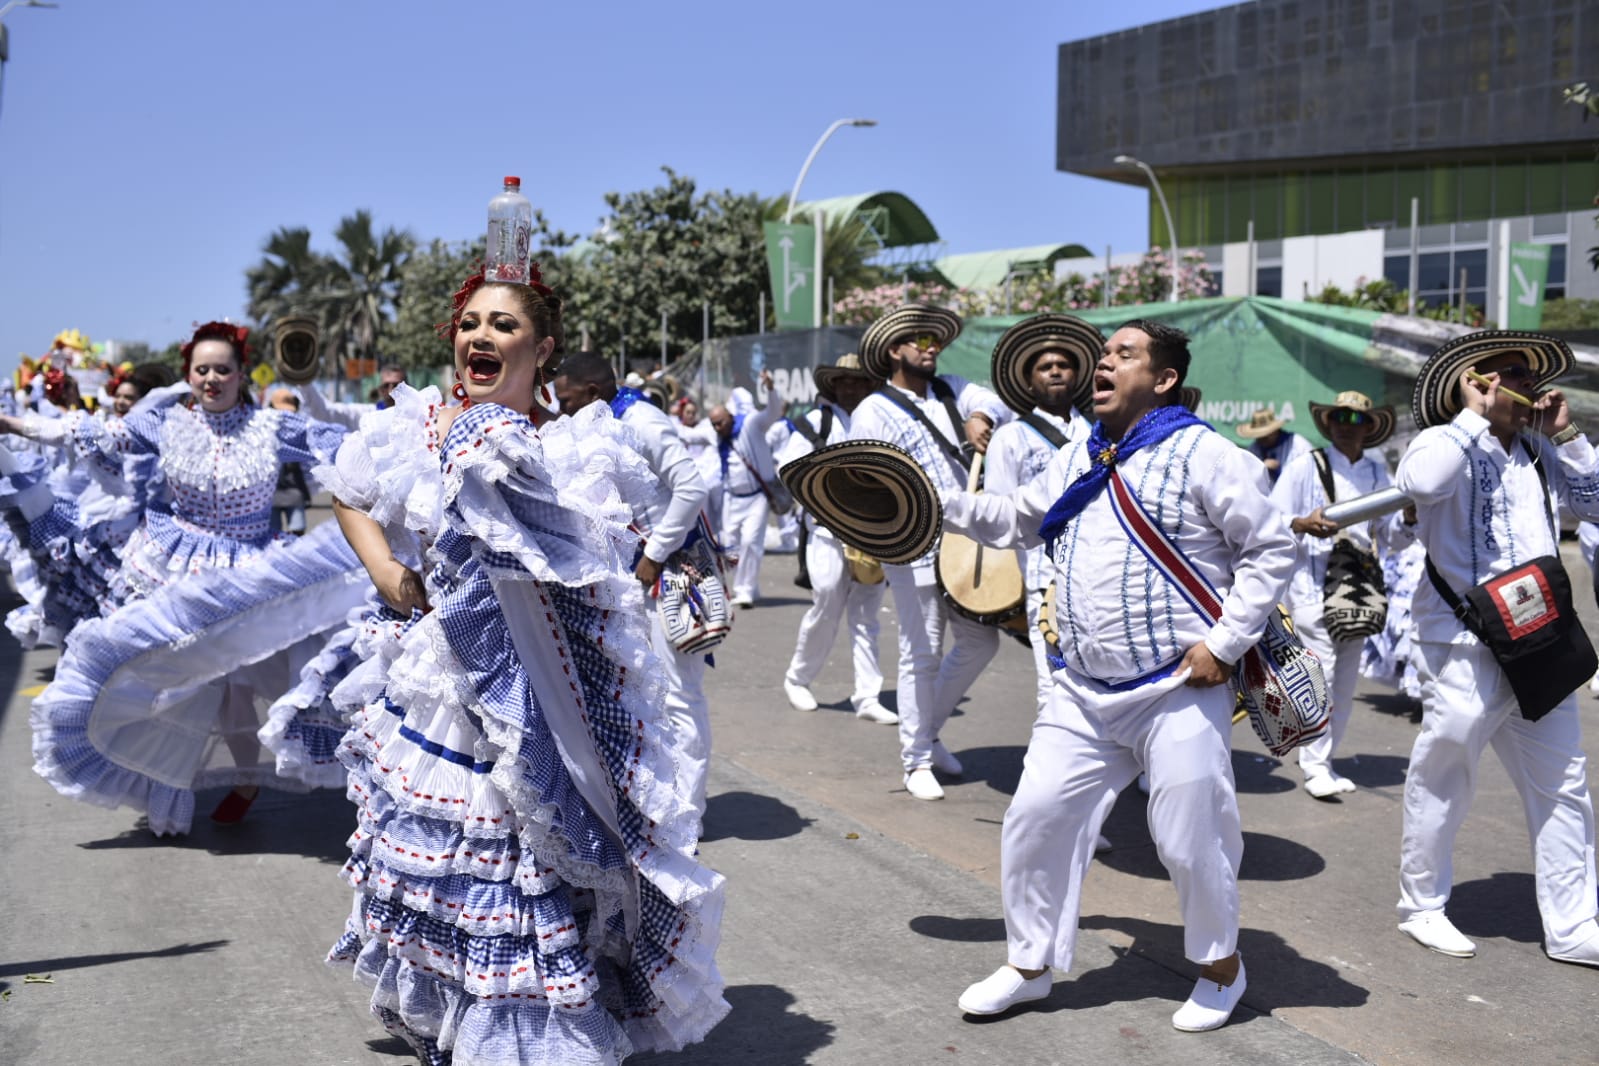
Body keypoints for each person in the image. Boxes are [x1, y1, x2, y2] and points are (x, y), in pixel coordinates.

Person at [323, 267, 727, 1063]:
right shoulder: (420, 427)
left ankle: (528, 1037)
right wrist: (389, 575)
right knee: (459, 873)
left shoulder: (580, 445)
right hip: (447, 689)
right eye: (470, 323)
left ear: (543, 350)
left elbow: (589, 565)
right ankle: (462, 1026)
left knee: (532, 873)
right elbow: (348, 491)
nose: (480, 336)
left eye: (503, 326)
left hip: (547, 693)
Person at [942, 319, 1295, 1031]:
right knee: (1035, 819)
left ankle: (1220, 967)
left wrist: (1223, 645)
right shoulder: (1081, 449)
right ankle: (1029, 964)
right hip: (1080, 690)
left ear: (1161, 379)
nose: (1100, 366)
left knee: (1189, 836)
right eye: (1100, 357)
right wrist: (927, 500)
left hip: (1178, 687)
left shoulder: (1206, 453)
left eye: (1121, 357)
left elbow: (1270, 547)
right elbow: (1015, 516)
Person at [7, 321, 365, 834]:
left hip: (249, 573)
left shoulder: (272, 427)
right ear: (189, 375)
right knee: (170, 684)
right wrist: (12, 425)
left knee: (238, 688)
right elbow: (86, 432)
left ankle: (245, 780)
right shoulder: (165, 423)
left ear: (243, 374)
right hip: (177, 567)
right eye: (202, 370)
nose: (212, 379)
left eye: (223, 369)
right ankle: (166, 792)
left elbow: (349, 450)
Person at [1393, 330, 1599, 965]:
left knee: (1565, 784)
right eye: (1508, 372)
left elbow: (1595, 505)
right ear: (1474, 382)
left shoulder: (1538, 453)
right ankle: (1421, 906)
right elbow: (1424, 484)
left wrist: (1567, 436)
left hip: (1539, 640)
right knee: (1447, 768)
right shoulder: (1441, 442)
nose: (1525, 383)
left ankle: (1574, 928)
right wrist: (1472, 414)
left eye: (1526, 373)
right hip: (1462, 640)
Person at [847, 304, 1012, 801]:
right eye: (919, 340)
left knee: (982, 641)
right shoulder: (873, 409)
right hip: (912, 542)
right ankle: (915, 759)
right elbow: (861, 480)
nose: (930, 347)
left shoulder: (953, 389)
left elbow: (992, 399)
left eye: (934, 340)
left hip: (968, 540)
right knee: (921, 652)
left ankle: (930, 731)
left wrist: (980, 416)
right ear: (895, 350)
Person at [551, 351, 721, 818]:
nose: (561, 408)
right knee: (648, 692)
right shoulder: (605, 417)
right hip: (635, 576)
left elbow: (692, 488)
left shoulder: (643, 420)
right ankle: (660, 804)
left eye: (566, 400)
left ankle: (689, 811)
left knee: (681, 694)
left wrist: (654, 553)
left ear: (590, 392)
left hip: (672, 572)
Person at [1271, 390, 1412, 798]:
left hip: (1359, 590)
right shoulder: (1305, 467)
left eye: (1355, 420)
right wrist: (1301, 522)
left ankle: (1321, 757)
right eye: (1339, 418)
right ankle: (1316, 763)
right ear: (1328, 422)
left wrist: (1410, 517)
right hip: (1313, 587)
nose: (1346, 427)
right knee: (1325, 676)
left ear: (1369, 427)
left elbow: (1392, 537)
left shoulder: (1377, 471)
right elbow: (1269, 517)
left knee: (1345, 680)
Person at [982, 314, 1097, 719]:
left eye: (1063, 365)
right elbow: (999, 513)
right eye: (1045, 367)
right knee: (1052, 687)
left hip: (1102, 576)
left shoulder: (1102, 432)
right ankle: (1050, 782)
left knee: (1110, 684)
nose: (1055, 372)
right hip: (1043, 578)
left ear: (1077, 374)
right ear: (1030, 381)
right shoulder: (1010, 437)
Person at [777, 353, 896, 725]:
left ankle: (867, 695)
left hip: (873, 533)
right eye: (843, 381)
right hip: (826, 532)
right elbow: (787, 469)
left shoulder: (883, 420)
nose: (849, 387)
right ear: (833, 385)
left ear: (868, 386)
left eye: (857, 381)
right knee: (826, 598)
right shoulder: (815, 423)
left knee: (866, 615)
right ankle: (797, 678)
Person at [708, 369, 785, 607]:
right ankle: (749, 584)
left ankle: (745, 589)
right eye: (713, 424)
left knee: (751, 541)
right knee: (731, 545)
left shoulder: (752, 424)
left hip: (757, 497)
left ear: (731, 415)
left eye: (720, 422)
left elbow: (773, 412)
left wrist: (771, 389)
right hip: (732, 497)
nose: (717, 428)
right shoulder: (719, 436)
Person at [267, 390, 312, 536]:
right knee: (273, 536)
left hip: (294, 492)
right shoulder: (263, 430)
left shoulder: (300, 430)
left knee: (298, 532)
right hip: (270, 494)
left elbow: (307, 466)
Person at [1236, 407, 1311, 483]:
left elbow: (1309, 475)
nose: (1262, 438)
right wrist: (1260, 469)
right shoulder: (1254, 449)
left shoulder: (1298, 446)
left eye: (1266, 435)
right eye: (1259, 435)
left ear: (1275, 430)